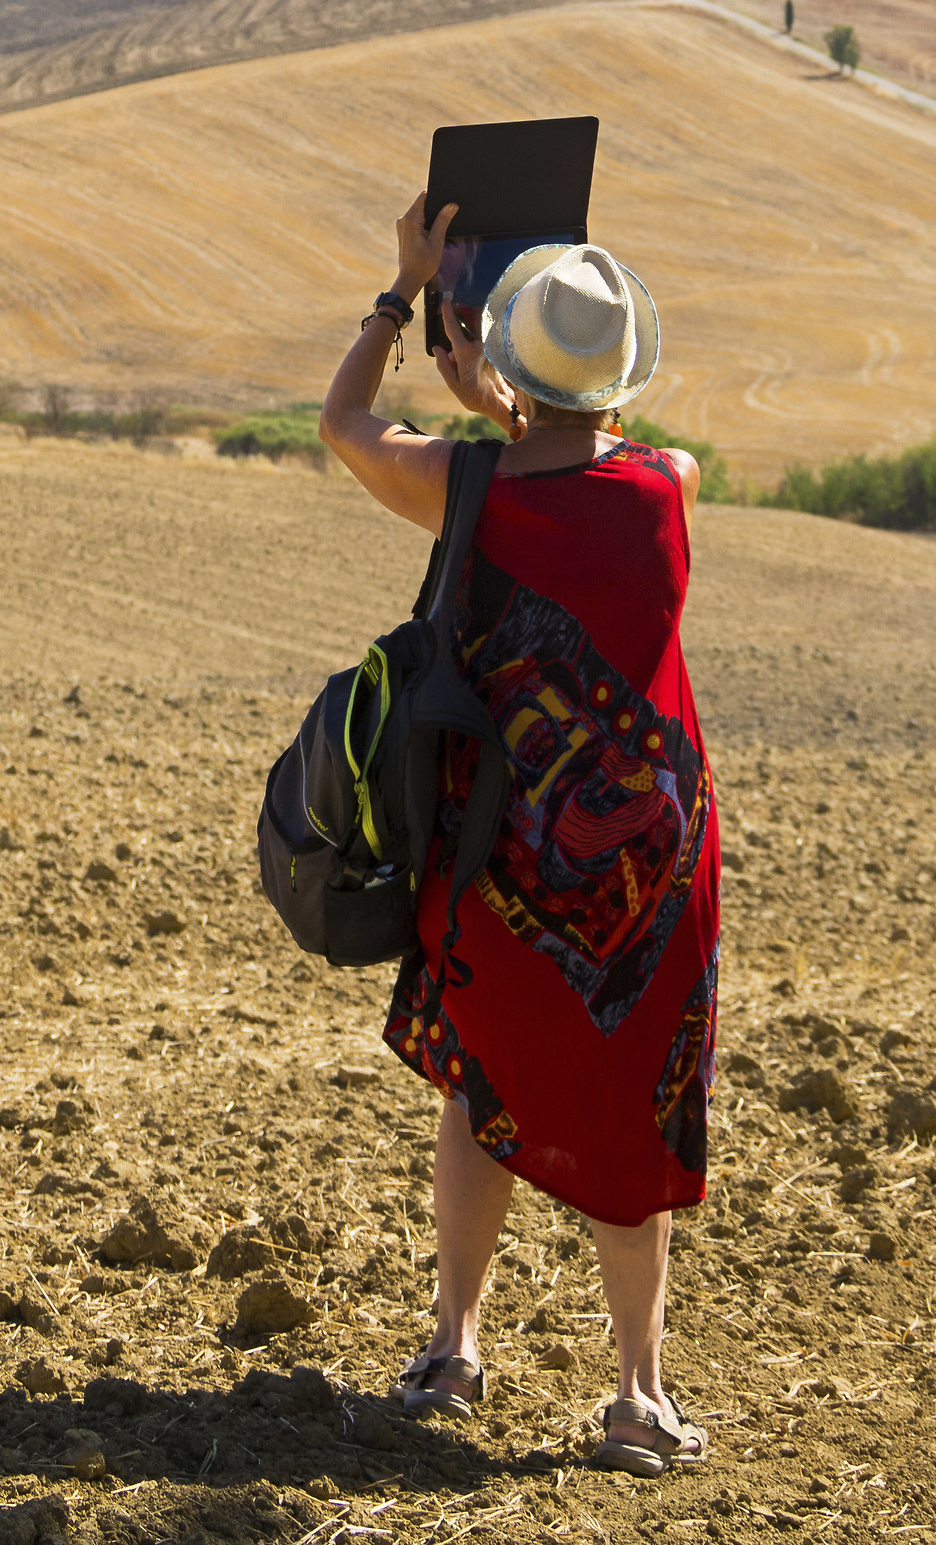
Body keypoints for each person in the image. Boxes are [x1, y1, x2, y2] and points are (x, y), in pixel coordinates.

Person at [317, 192, 721, 1478]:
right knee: (635, 1103)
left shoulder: (467, 486)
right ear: (623, 377)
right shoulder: (670, 488)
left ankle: (453, 1347)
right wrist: (511, 397)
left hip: (501, 848)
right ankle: (640, 1394)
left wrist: (400, 298)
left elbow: (345, 426)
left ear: (513, 358)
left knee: (479, 1086)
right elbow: (591, 459)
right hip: (652, 864)